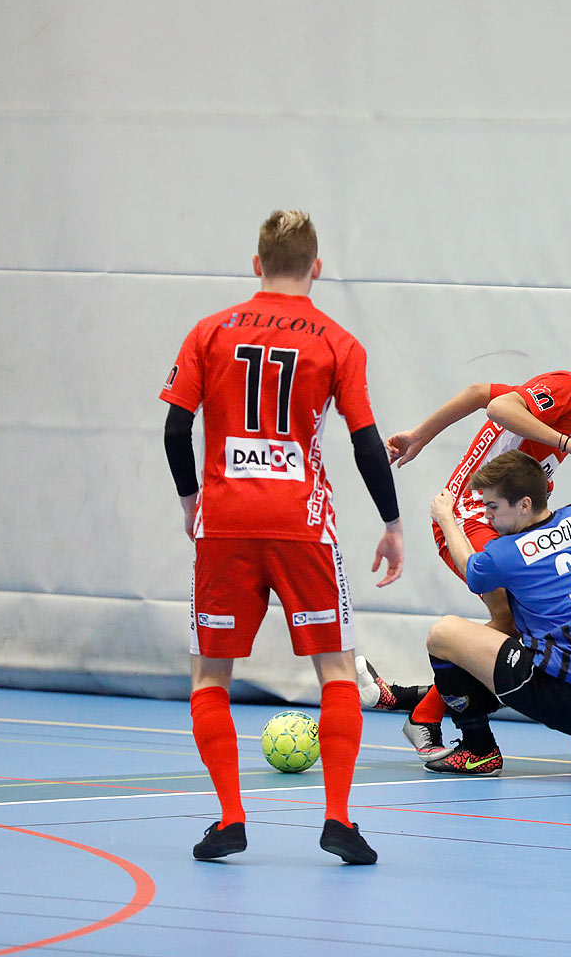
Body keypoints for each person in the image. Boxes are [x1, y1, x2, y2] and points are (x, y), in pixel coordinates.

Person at [160, 209, 404, 861]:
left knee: (211, 676)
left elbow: (174, 429)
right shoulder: (337, 342)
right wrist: (392, 522)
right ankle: (339, 820)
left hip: (227, 522)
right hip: (302, 523)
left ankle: (232, 819)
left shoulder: (209, 332)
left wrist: (192, 502)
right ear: (316, 268)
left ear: (257, 265)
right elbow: (365, 441)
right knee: (336, 672)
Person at [380, 349, 571, 770]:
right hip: (473, 514)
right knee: (510, 619)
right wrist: (567, 444)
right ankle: (425, 713)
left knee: (541, 618)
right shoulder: (570, 391)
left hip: (504, 518)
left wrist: (419, 435)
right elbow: (499, 406)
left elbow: (476, 392)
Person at [420, 450, 571, 775]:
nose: (486, 517)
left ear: (524, 504)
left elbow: (470, 569)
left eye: (492, 507)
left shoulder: (505, 553)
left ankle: (479, 749)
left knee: (444, 634)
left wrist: (446, 518)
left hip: (561, 699)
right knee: (511, 640)